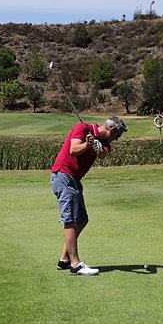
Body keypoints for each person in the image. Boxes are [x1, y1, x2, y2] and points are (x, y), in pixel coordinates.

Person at [51, 116, 126, 276]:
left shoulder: (105, 143)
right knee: (70, 220)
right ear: (112, 130)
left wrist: (98, 147)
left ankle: (64, 259)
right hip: (63, 175)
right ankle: (75, 264)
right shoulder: (83, 128)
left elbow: (103, 154)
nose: (116, 139)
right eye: (117, 136)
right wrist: (88, 144)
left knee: (82, 219)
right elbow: (73, 150)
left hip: (75, 180)